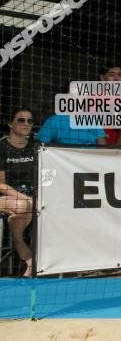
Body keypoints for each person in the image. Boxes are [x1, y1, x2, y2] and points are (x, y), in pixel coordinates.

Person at [0, 108, 40, 276]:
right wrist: (28, 199)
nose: (26, 124)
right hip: (6, 194)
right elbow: (0, 184)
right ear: (10, 123)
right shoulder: (2, 147)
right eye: (21, 120)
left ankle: (41, 262)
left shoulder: (36, 147)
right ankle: (26, 254)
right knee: (23, 205)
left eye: (29, 121)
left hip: (33, 194)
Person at [97, 64, 121, 146]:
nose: (116, 79)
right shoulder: (93, 99)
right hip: (98, 149)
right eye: (112, 75)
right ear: (102, 78)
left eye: (119, 75)